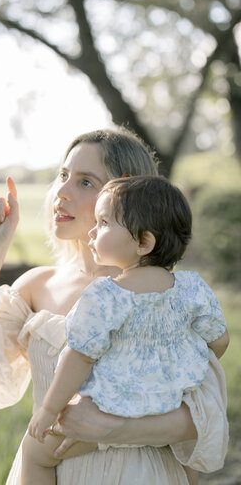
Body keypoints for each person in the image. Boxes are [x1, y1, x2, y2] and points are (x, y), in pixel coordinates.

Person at [0, 128, 229, 485]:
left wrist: (111, 428)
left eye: (86, 182)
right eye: (63, 176)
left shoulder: (167, 295)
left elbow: (205, 414)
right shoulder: (39, 285)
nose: (62, 193)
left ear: (126, 193)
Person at [22, 176, 229, 485]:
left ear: (143, 242)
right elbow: (219, 341)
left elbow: (79, 357)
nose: (93, 230)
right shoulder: (192, 289)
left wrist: (49, 409)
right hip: (166, 411)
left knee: (34, 453)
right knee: (185, 470)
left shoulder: (107, 296)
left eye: (104, 222)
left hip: (105, 412)